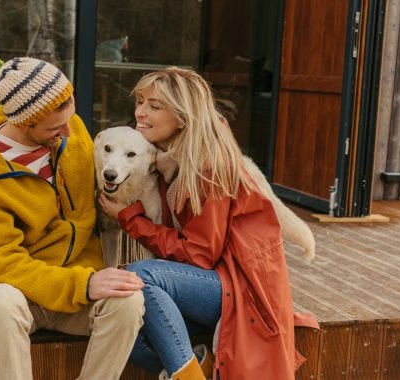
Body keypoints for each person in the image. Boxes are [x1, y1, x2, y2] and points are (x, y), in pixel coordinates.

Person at [99, 67, 318, 380]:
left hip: (239, 289)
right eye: (140, 101)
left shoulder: (208, 166)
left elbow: (199, 255)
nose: (140, 112)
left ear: (184, 117)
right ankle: (198, 371)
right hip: (212, 284)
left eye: (154, 106)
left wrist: (129, 218)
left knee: (140, 277)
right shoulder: (168, 158)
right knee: (117, 319)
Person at [0, 54, 145, 380]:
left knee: (128, 302)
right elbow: (1, 263)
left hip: (78, 283)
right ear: (25, 123)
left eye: (70, 118)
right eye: (55, 127)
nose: (69, 131)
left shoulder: (71, 127)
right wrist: (85, 283)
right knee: (0, 305)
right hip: (18, 290)